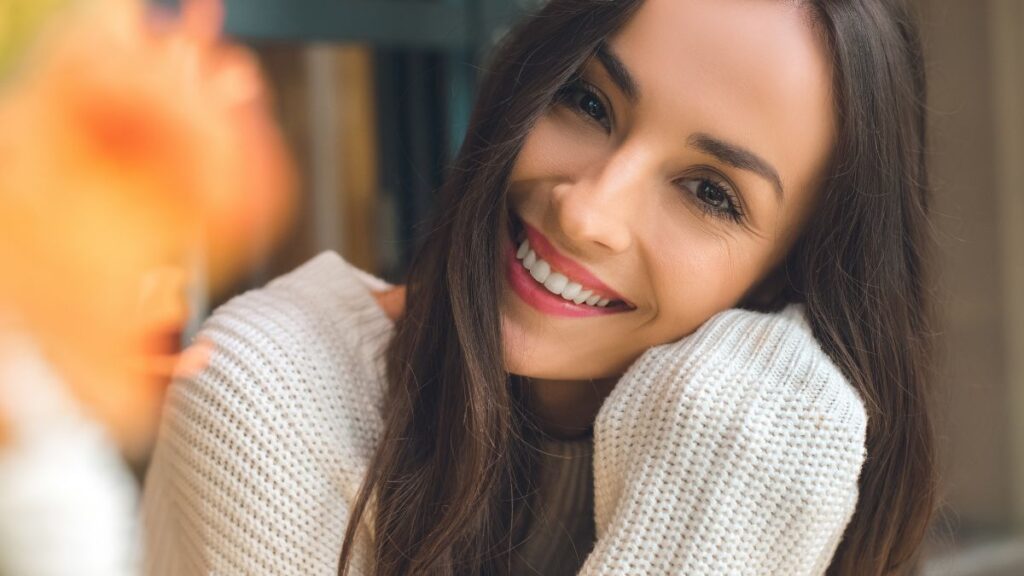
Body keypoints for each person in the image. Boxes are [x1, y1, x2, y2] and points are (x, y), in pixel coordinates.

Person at [140, 0, 938, 574]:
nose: (589, 209)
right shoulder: (268, 393)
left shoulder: (771, 440)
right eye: (587, 101)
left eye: (708, 192)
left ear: (790, 277)